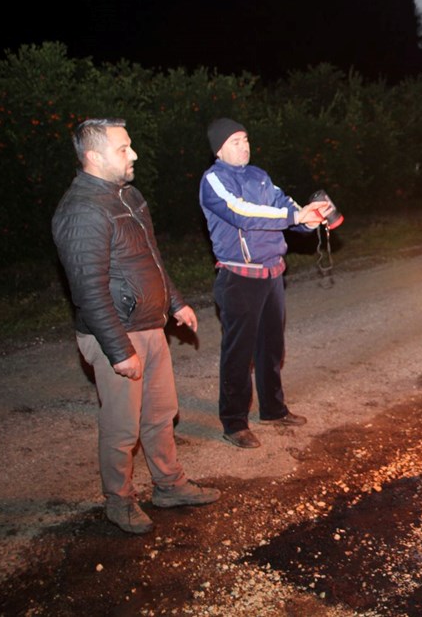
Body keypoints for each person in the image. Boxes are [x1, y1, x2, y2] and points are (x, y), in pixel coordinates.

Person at [52, 118, 221, 535]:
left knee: (161, 413)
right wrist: (118, 349)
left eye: (130, 146)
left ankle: (169, 485)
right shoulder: (81, 210)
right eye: (124, 148)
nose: (134, 154)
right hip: (116, 333)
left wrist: (176, 301)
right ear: (93, 157)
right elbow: (88, 291)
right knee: (122, 426)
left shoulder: (128, 196)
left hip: (149, 325)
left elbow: (151, 258)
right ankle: (119, 500)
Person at [199, 118, 334, 449]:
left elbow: (285, 207)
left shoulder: (260, 176)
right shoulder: (213, 180)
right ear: (218, 149)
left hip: (272, 275)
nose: (243, 146)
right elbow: (242, 212)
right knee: (239, 353)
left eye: (246, 139)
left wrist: (310, 217)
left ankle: (273, 409)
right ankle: (234, 422)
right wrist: (293, 218)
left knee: (271, 348)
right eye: (234, 141)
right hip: (238, 279)